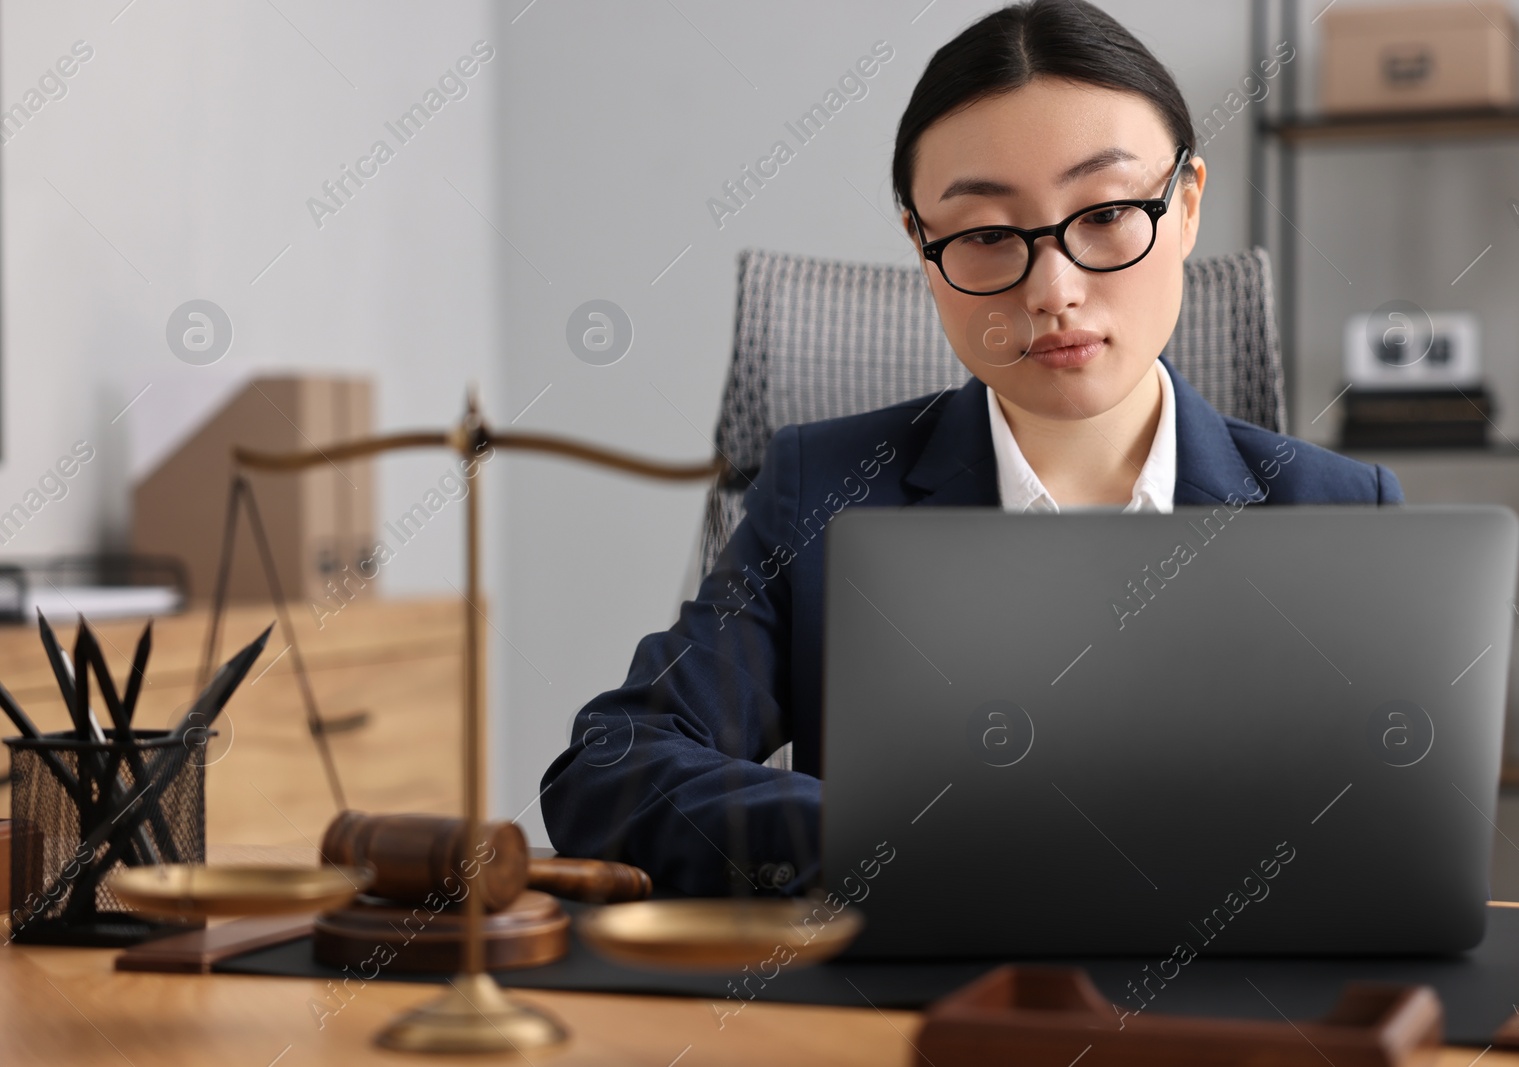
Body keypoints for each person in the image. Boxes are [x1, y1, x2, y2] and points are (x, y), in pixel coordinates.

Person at [540, 0, 1402, 897]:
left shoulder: (1340, 512)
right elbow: (612, 764)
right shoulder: (826, 494)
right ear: (923, 243)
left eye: (1105, 213)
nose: (1054, 290)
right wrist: (888, 832)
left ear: (1184, 207)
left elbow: (1388, 843)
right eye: (989, 235)